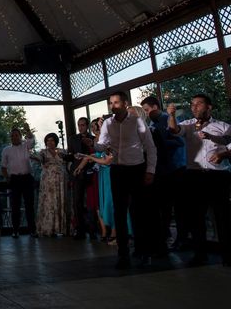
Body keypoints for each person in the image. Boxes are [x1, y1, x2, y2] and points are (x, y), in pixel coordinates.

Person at [167, 94, 231, 266]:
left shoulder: (222, 126)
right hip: (194, 176)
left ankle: (228, 255)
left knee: (222, 217)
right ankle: (200, 254)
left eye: (198, 104)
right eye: (192, 104)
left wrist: (223, 153)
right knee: (196, 217)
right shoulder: (188, 125)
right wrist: (171, 115)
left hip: (218, 176)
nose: (194, 107)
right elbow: (174, 130)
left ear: (209, 107)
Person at [98, 91, 157, 269]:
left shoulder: (137, 122)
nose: (112, 106)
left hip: (137, 169)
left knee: (139, 211)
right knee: (119, 213)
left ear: (125, 104)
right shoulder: (108, 123)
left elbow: (150, 147)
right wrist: (94, 143)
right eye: (110, 103)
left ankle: (143, 250)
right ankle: (123, 254)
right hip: (117, 170)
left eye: (116, 103)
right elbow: (101, 144)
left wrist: (150, 171)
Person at [141, 96, 187, 251]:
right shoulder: (151, 124)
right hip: (162, 170)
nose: (146, 114)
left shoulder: (168, 120)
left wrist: (158, 143)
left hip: (175, 168)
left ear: (155, 107)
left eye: (147, 110)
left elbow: (180, 142)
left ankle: (182, 239)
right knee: (164, 207)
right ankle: (165, 238)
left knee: (179, 207)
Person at [1, 125, 37, 238]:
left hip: (26, 178)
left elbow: (32, 140)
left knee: (29, 206)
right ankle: (15, 230)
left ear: (20, 136)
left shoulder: (26, 145)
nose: (14, 137)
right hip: (14, 180)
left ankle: (32, 230)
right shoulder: (6, 150)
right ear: (10, 138)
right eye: (12, 136)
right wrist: (8, 178)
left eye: (16, 135)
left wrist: (27, 130)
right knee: (15, 206)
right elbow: (3, 166)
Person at [66, 117, 97, 240]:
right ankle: (80, 230)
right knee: (77, 202)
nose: (81, 127)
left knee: (90, 203)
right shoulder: (73, 138)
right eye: (79, 125)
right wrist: (69, 156)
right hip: (76, 174)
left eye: (83, 125)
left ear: (87, 126)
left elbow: (96, 156)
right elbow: (70, 156)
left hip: (91, 173)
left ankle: (93, 230)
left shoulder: (94, 139)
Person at [33, 133, 67, 237]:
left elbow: (67, 162)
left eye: (51, 140)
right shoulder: (43, 152)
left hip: (60, 180)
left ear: (55, 141)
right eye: (47, 140)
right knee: (48, 201)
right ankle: (48, 228)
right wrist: (34, 157)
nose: (49, 142)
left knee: (60, 200)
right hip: (48, 181)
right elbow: (39, 159)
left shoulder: (62, 151)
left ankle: (61, 228)